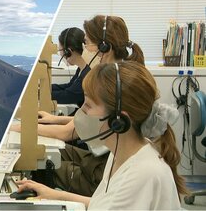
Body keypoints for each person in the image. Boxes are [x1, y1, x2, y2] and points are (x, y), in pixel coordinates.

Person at [17, 61, 187, 210]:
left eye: (88, 105)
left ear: (118, 121)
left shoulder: (141, 175)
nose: (81, 112)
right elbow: (103, 204)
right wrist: (54, 195)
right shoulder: (121, 154)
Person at [12, 15, 146, 196]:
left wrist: (22, 127)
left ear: (104, 47)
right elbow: (92, 118)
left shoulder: (111, 83)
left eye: (87, 43)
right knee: (52, 154)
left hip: (104, 168)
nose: (83, 49)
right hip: (101, 158)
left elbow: (68, 132)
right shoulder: (117, 75)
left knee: (41, 164)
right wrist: (55, 119)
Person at [52, 27, 89, 107]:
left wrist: (42, 94)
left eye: (60, 50)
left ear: (68, 51)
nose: (61, 54)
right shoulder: (81, 68)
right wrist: (46, 88)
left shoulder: (88, 72)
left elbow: (69, 96)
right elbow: (69, 86)